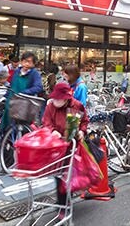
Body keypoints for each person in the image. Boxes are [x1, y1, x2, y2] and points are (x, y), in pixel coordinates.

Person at [42, 82, 89, 216]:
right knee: (59, 176)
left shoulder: (76, 105)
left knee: (68, 175)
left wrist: (82, 131)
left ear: (66, 98)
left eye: (59, 98)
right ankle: (63, 205)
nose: (56, 101)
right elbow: (46, 122)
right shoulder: (50, 106)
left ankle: (65, 202)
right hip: (56, 147)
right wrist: (52, 131)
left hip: (72, 145)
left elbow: (84, 120)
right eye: (55, 98)